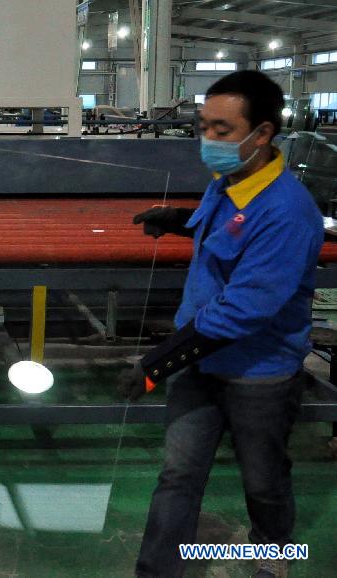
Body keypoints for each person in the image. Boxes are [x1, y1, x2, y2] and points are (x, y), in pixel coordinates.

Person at [121, 71, 323, 578]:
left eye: (222, 130)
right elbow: (225, 235)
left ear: (263, 134)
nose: (207, 140)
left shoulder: (289, 212)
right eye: (203, 127)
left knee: (264, 481)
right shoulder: (229, 181)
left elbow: (242, 310)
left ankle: (273, 557)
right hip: (200, 364)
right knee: (178, 476)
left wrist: (155, 365)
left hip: (258, 374)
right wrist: (179, 220)